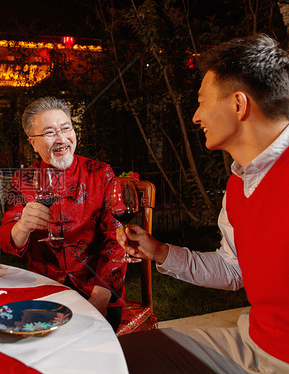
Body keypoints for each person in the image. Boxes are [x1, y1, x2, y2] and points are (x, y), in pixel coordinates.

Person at [117, 34, 289, 373]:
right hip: (252, 343)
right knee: (118, 357)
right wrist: (159, 251)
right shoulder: (240, 183)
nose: (196, 117)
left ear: (239, 105)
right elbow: (233, 269)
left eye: (202, 102)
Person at [0, 97, 126, 332]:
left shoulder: (100, 173)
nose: (61, 139)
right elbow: (7, 243)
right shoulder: (25, 179)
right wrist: (23, 226)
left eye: (66, 128)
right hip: (45, 289)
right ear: (33, 143)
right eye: (49, 132)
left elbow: (117, 240)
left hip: (95, 288)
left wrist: (101, 295)